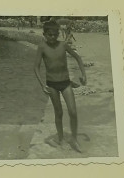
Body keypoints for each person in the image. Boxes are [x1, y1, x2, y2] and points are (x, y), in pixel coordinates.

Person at [34, 21, 87, 152]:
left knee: (73, 112)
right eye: (50, 35)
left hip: (65, 83)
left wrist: (84, 74)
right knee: (59, 112)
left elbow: (78, 58)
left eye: (55, 35)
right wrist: (42, 85)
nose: (52, 37)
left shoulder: (63, 45)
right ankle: (61, 138)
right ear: (44, 34)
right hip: (51, 85)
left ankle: (74, 139)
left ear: (58, 34)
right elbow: (36, 67)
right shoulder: (42, 47)